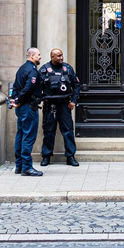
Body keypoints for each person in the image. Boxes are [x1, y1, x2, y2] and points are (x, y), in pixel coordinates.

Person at [38, 48, 80, 167]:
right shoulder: (44, 69)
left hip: (64, 104)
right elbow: (37, 87)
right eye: (58, 56)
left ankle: (70, 156)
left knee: (68, 131)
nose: (61, 57)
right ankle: (46, 156)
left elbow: (76, 85)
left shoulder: (68, 68)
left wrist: (73, 101)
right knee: (49, 131)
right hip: (50, 105)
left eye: (62, 55)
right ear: (52, 57)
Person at [8, 47, 44, 176]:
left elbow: (16, 87)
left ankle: (19, 165)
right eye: (38, 54)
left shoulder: (22, 68)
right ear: (32, 56)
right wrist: (18, 100)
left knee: (21, 135)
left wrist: (16, 100)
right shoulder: (32, 70)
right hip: (28, 107)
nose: (40, 57)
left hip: (22, 107)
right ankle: (27, 167)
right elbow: (28, 88)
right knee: (28, 137)